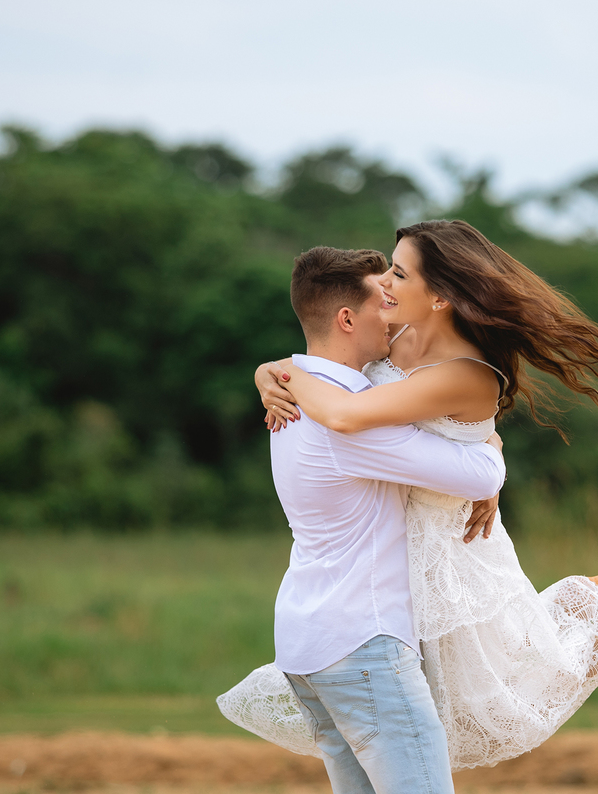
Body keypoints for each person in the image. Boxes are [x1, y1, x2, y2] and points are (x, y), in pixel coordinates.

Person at [249, 220, 598, 771]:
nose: (386, 282)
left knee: (505, 675)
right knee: (464, 677)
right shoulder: (393, 341)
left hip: (445, 531)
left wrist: (283, 371)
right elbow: (419, 426)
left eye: (399, 272)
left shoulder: (464, 371)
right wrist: (272, 370)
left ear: (439, 297)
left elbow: (353, 414)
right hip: (394, 533)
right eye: (388, 268)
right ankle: (590, 604)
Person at [216, 245, 508, 793]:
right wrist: (488, 441)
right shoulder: (349, 418)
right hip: (363, 643)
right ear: (347, 318)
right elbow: (479, 477)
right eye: (383, 299)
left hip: (308, 642)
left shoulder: (294, 383)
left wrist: (264, 371)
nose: (393, 306)